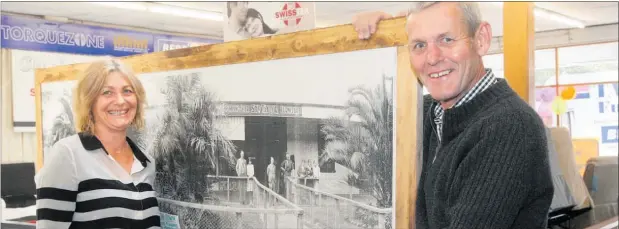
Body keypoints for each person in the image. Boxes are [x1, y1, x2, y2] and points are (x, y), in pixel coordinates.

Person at [352, 2, 554, 229]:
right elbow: (362, 120)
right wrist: (377, 41)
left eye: (446, 40)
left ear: (481, 39)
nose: (432, 57)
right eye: (419, 45)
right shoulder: (424, 113)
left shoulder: (509, 127)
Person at [34, 59, 161, 229]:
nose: (121, 100)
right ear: (90, 101)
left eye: (127, 91)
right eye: (107, 92)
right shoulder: (68, 155)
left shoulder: (146, 163)